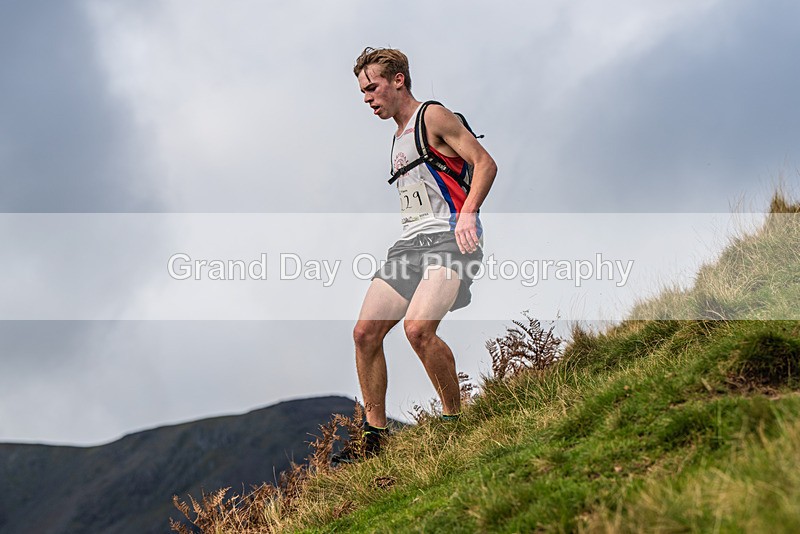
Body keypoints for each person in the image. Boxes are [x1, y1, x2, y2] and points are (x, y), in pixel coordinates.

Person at [335, 47, 497, 464]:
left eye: (372, 88)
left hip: (450, 241)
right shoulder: (397, 136)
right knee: (364, 333)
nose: (368, 98)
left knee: (417, 330)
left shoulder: (434, 116)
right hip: (410, 246)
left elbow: (485, 164)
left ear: (398, 80)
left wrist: (467, 216)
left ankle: (453, 423)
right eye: (362, 93)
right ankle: (375, 437)